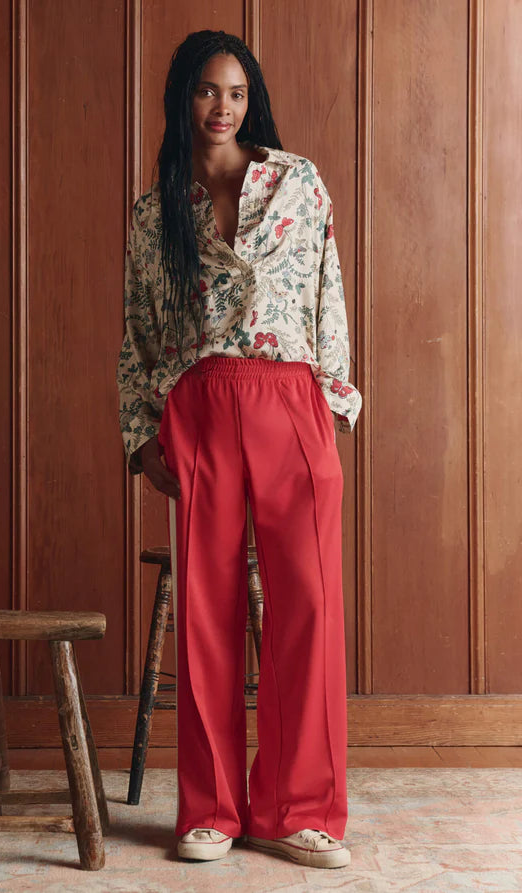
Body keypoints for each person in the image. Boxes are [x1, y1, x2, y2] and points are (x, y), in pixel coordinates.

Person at [116, 29, 361, 870]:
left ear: (250, 100)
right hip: (202, 407)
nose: (221, 108)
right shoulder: (157, 211)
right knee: (208, 617)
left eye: (235, 93)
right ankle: (212, 807)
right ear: (181, 98)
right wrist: (139, 432)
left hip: (291, 400)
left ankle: (301, 809)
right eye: (205, 91)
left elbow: (329, 294)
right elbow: (139, 328)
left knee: (310, 607)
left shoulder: (297, 182)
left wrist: (333, 403)